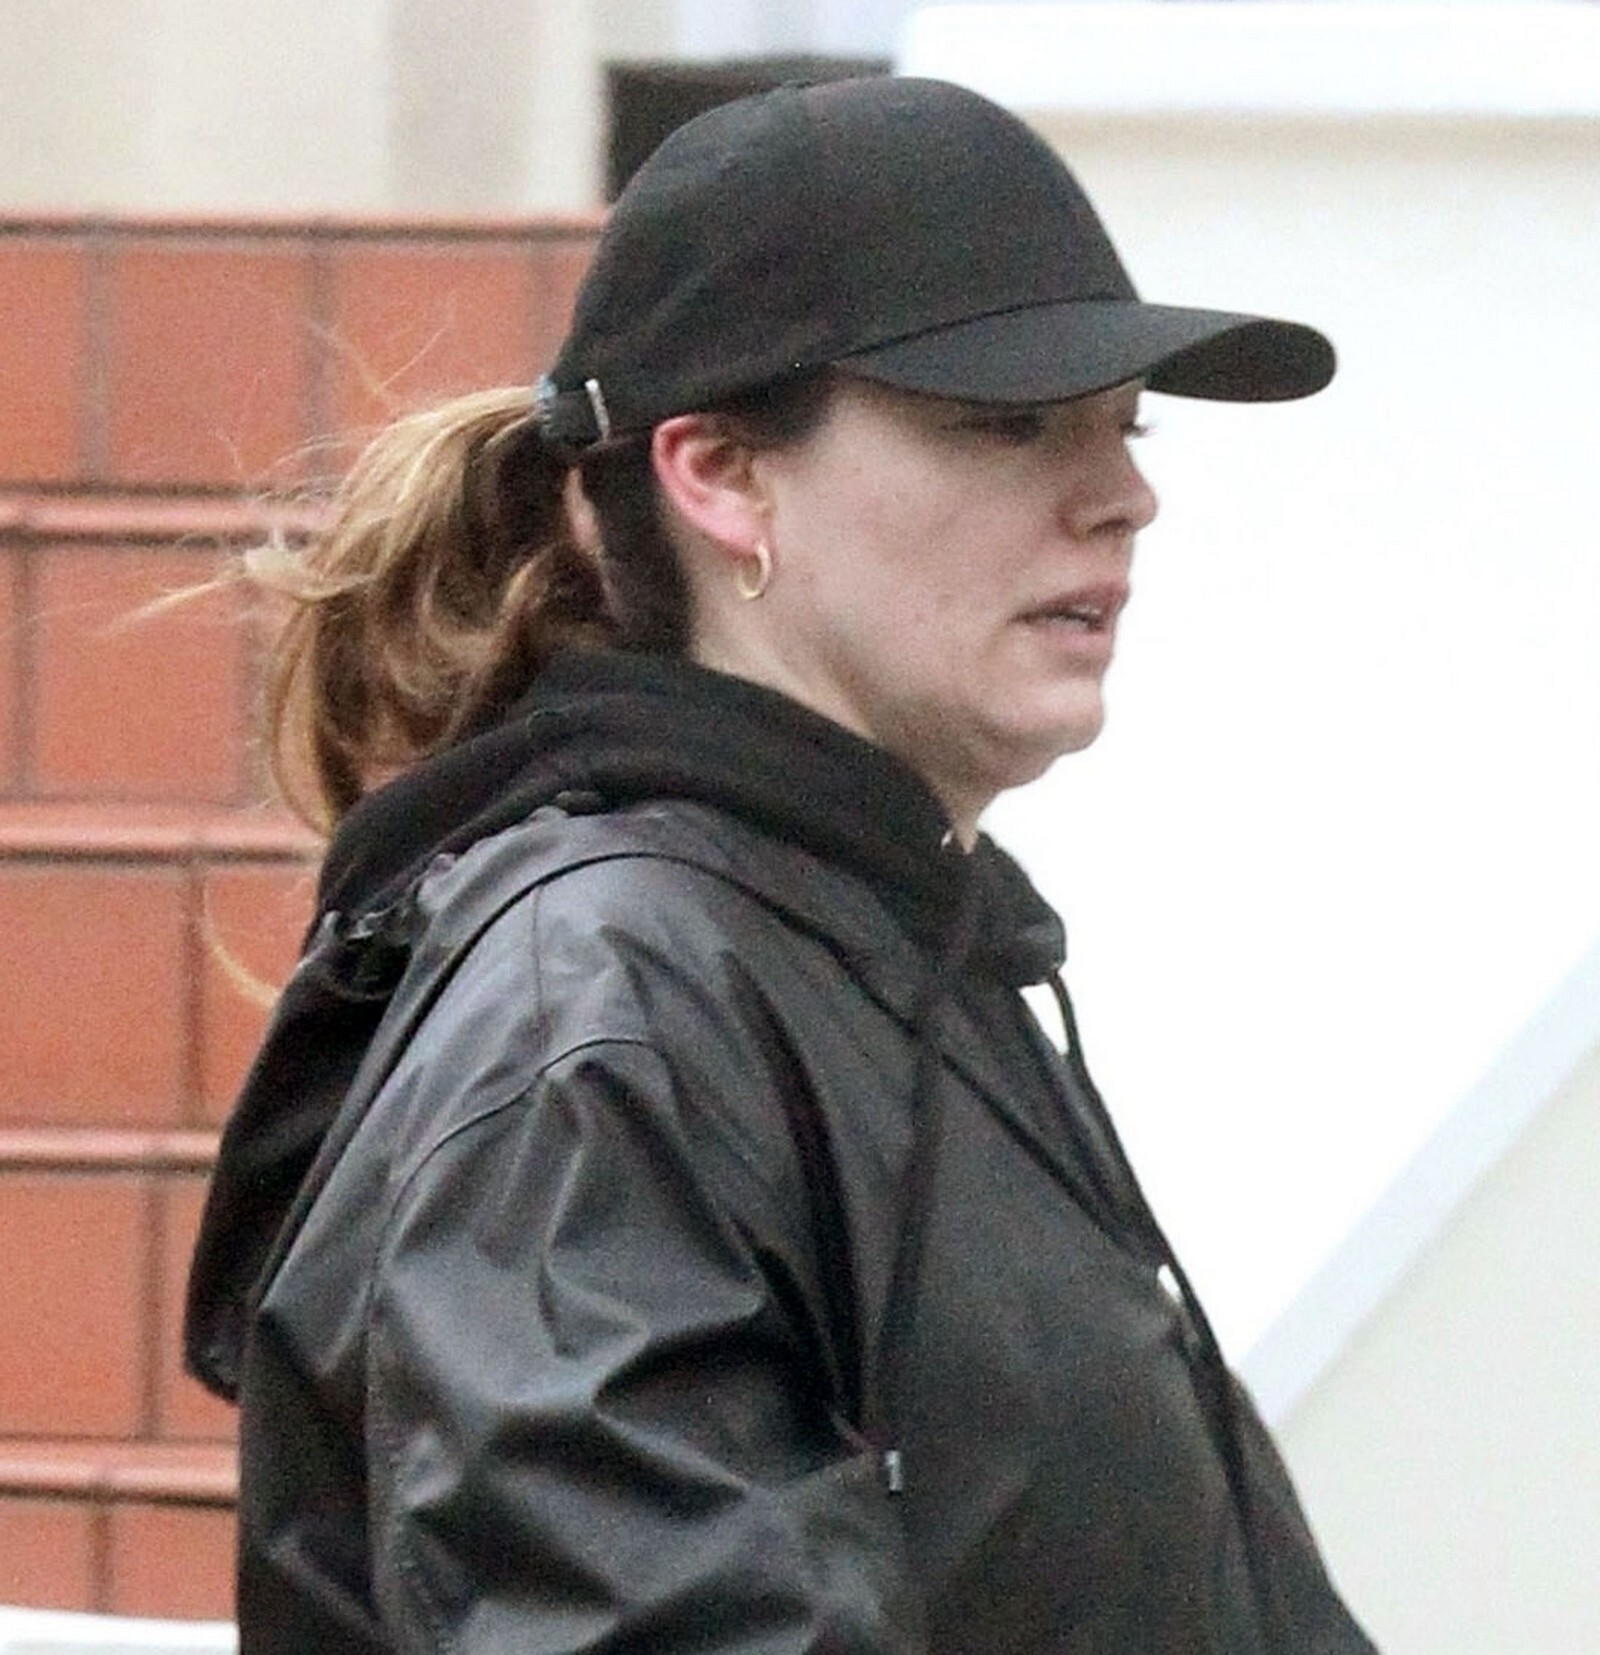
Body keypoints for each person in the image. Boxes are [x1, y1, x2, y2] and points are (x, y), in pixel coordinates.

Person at [186, 75, 1376, 1654]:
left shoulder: (874, 951)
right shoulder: (601, 1015)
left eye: (1125, 423)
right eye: (1007, 421)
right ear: (724, 476)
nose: (1124, 496)